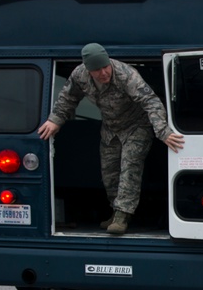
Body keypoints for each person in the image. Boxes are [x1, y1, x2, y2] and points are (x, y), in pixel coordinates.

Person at [38, 43, 185, 234]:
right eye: (97, 70)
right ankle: (115, 211)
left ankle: (123, 216)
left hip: (137, 125)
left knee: (130, 166)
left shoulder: (126, 74)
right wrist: (55, 120)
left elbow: (151, 101)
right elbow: (68, 98)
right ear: (88, 70)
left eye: (105, 67)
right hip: (111, 128)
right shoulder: (79, 75)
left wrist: (163, 131)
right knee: (109, 173)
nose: (103, 73)